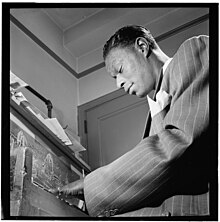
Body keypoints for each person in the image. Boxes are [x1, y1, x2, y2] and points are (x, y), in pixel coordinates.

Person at [50, 25, 209, 217]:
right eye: (114, 78)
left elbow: (176, 146)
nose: (119, 83)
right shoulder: (154, 112)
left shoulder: (192, 51)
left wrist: (91, 185)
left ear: (142, 46)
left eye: (120, 70)